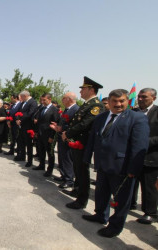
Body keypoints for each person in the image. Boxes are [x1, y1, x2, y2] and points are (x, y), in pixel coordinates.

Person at [82, 89, 149, 238]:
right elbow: (93, 138)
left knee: (121, 200)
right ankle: (100, 215)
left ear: (127, 101)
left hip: (123, 168)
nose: (118, 104)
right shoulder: (101, 117)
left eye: (122, 101)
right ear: (109, 102)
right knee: (101, 193)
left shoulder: (137, 118)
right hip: (102, 164)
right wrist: (87, 158)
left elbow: (140, 146)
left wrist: (134, 169)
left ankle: (115, 226)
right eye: (114, 101)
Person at [62, 76, 104, 209]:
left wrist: (67, 133)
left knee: (82, 171)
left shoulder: (96, 105)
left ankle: (82, 200)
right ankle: (77, 190)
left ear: (91, 90)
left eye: (83, 89)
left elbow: (85, 124)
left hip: (83, 143)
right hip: (76, 141)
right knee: (77, 169)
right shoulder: (87, 104)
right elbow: (76, 122)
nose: (80, 92)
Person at [131, 88, 158, 224]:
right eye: (139, 97)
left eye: (144, 97)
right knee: (131, 181)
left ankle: (150, 212)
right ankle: (131, 203)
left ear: (153, 98)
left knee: (148, 186)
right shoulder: (133, 112)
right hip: (133, 156)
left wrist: (144, 142)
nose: (140, 99)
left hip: (150, 156)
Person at [50, 92, 80, 188]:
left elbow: (74, 125)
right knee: (62, 158)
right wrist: (57, 126)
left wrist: (62, 129)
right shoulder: (67, 109)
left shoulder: (76, 110)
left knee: (67, 159)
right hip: (61, 137)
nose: (62, 100)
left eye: (64, 98)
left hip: (68, 138)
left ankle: (69, 180)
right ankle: (63, 175)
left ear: (70, 99)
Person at [33, 93, 60, 177]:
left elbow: (55, 124)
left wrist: (52, 136)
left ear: (49, 99)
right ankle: (41, 165)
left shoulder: (54, 109)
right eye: (42, 100)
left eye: (44, 100)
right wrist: (37, 132)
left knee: (50, 153)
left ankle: (50, 169)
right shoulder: (42, 108)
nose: (42, 101)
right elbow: (39, 122)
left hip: (48, 135)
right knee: (41, 151)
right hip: (41, 134)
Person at [15, 90, 38, 167]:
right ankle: (22, 156)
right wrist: (17, 119)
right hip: (22, 126)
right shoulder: (23, 103)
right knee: (21, 142)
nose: (20, 98)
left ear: (25, 96)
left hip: (28, 126)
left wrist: (21, 120)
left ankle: (30, 160)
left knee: (28, 144)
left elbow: (30, 113)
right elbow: (19, 112)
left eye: (21, 97)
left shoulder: (33, 102)